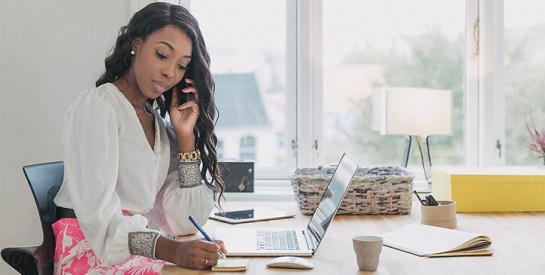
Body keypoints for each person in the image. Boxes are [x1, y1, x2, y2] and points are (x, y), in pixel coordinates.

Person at [52, 2, 226, 273]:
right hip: (88, 252)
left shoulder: (158, 124)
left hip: (137, 250)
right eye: (161, 55)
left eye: (182, 65)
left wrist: (185, 138)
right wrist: (173, 250)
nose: (170, 72)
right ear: (135, 44)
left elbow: (186, 222)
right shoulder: (98, 107)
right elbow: (100, 222)